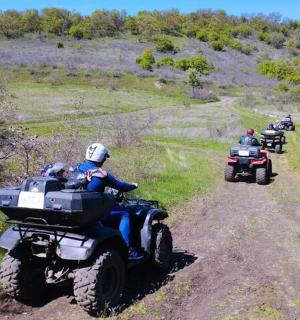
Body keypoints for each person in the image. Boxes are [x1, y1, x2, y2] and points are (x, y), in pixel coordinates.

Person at [78, 143, 141, 260]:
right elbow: (121, 186)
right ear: (101, 158)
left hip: (79, 210)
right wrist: (133, 185)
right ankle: (128, 249)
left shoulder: (76, 168)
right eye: (105, 157)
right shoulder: (100, 173)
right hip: (95, 213)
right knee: (125, 214)